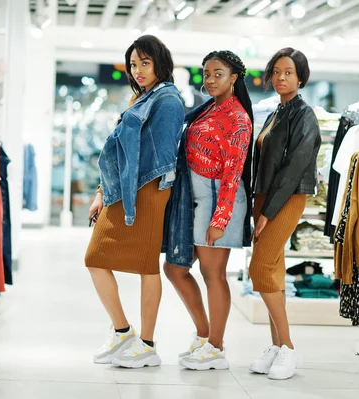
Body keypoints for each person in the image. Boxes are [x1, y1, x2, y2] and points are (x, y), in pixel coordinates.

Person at [85, 35, 185, 369]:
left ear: (159, 62)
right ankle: (123, 330)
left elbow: (164, 155)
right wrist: (102, 192)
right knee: (95, 257)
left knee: (145, 265)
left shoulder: (168, 99)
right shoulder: (141, 97)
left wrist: (141, 191)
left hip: (150, 189)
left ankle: (147, 344)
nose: (138, 70)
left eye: (145, 63)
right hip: (124, 189)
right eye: (133, 64)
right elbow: (119, 153)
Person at [162, 50, 254, 370]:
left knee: (213, 275)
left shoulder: (238, 118)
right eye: (206, 74)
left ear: (234, 78)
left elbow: (233, 174)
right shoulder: (207, 110)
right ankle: (204, 336)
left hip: (219, 200)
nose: (210, 79)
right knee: (175, 268)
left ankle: (215, 347)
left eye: (217, 73)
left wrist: (220, 219)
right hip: (197, 199)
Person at [249, 48, 321, 380]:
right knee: (273, 271)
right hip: (265, 197)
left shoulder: (303, 114)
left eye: (288, 72)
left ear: (301, 77)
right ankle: (276, 346)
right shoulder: (275, 113)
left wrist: (268, 212)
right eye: (276, 71)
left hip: (287, 197)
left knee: (260, 268)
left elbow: (294, 169)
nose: (281, 77)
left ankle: (289, 347)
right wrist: (257, 205)